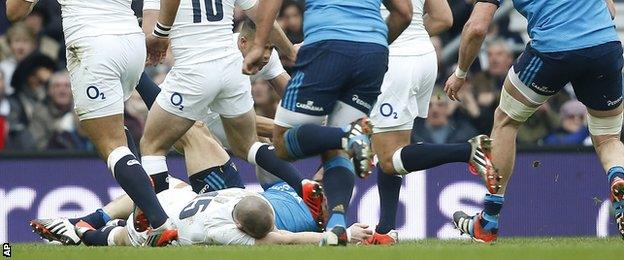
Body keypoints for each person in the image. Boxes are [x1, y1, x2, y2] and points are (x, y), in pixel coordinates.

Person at [444, 0, 624, 241]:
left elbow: (476, 27)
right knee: (608, 138)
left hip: (553, 50)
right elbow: (611, 11)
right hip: (604, 46)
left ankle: (487, 222)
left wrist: (461, 73)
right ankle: (618, 176)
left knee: (505, 121)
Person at [7, 0, 179, 246]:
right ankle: (141, 191)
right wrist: (160, 31)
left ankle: (160, 223)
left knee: (110, 144)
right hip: (131, 40)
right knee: (115, 128)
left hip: (92, 41)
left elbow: (14, 11)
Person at [242, 0, 413, 241]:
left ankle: (349, 136)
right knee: (338, 150)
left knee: (281, 143)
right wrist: (372, 47)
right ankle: (336, 224)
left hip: (327, 47)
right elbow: (404, 13)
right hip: (373, 53)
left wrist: (260, 44)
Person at [140, 0, 321, 227]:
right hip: (229, 67)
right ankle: (302, 184)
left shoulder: (256, 49)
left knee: (152, 146)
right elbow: (264, 19)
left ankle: (157, 222)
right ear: (244, 41)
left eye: (269, 49)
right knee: (249, 145)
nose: (266, 54)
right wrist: (291, 51)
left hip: (194, 73)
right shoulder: (248, 46)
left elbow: (150, 34)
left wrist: (158, 34)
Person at [364, 0, 499, 245]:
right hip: (423, 56)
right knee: (393, 149)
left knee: (387, 157)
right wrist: (412, 36)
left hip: (394, 58)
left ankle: (469, 151)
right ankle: (385, 231)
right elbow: (443, 18)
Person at [27, 71, 76, 150]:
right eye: (57, 86)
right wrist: (57, 136)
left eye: (67, 86)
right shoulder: (40, 114)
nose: (62, 91)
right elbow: (38, 145)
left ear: (74, 91)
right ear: (49, 91)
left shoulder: (81, 113)